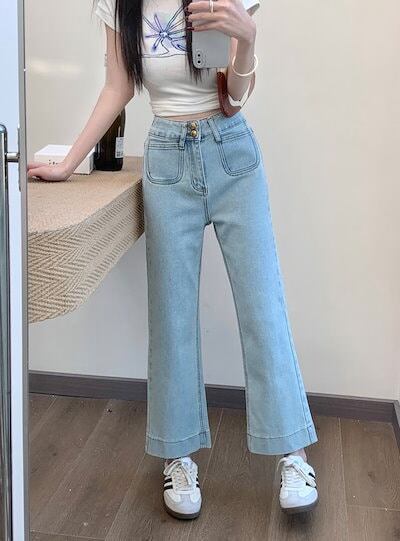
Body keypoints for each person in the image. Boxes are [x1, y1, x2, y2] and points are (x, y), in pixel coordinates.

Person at [27, 0, 319, 519]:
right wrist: (69, 161)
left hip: (230, 152)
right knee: (172, 317)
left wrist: (247, 39)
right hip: (166, 159)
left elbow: (235, 98)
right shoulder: (119, 3)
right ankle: (177, 455)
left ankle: (292, 453)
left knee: (262, 307)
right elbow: (118, 87)